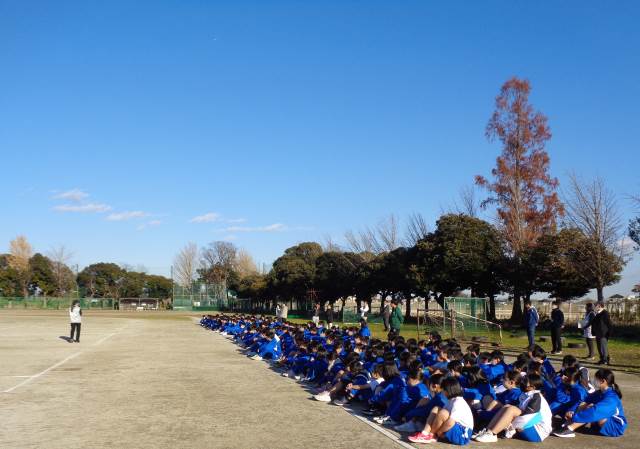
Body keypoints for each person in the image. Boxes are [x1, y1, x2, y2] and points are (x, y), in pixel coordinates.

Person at [474, 373, 552, 443]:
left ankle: (493, 434)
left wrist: (512, 426)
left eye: (525, 381)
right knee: (507, 406)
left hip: (537, 433)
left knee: (511, 409)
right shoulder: (526, 394)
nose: (522, 382)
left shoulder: (536, 398)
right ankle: (488, 431)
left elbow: (530, 417)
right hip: (528, 426)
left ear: (532, 387)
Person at [553, 368, 627, 438]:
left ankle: (570, 429)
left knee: (591, 408)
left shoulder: (611, 398)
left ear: (603, 381)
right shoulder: (600, 392)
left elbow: (595, 412)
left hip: (615, 427)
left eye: (596, 379)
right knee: (585, 404)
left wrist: (575, 417)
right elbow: (584, 400)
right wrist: (572, 410)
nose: (593, 381)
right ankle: (569, 424)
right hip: (601, 424)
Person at [408, 377, 474, 445]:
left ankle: (431, 435)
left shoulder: (458, 402)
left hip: (462, 435)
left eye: (443, 390)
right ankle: (425, 433)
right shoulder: (451, 401)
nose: (443, 392)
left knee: (443, 413)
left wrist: (440, 432)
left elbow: (450, 423)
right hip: (457, 430)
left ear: (448, 390)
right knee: (437, 409)